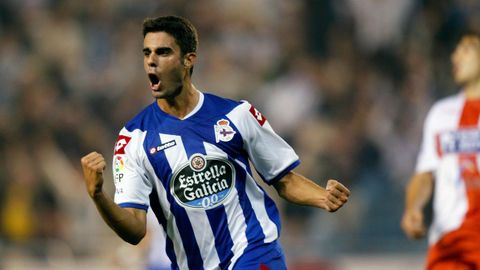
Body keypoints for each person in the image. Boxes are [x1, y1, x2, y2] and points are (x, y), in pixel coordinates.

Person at [80, 15, 350, 270]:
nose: (152, 61)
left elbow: (284, 179)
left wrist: (322, 196)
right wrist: (99, 196)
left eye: (163, 52)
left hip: (254, 251)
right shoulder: (132, 139)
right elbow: (135, 230)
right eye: (146, 53)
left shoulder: (237, 115)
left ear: (189, 59)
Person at [401, 33, 480, 269]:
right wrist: (413, 208)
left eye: (466, 49)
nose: (456, 56)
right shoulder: (441, 113)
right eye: (455, 50)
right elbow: (425, 173)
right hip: (450, 244)